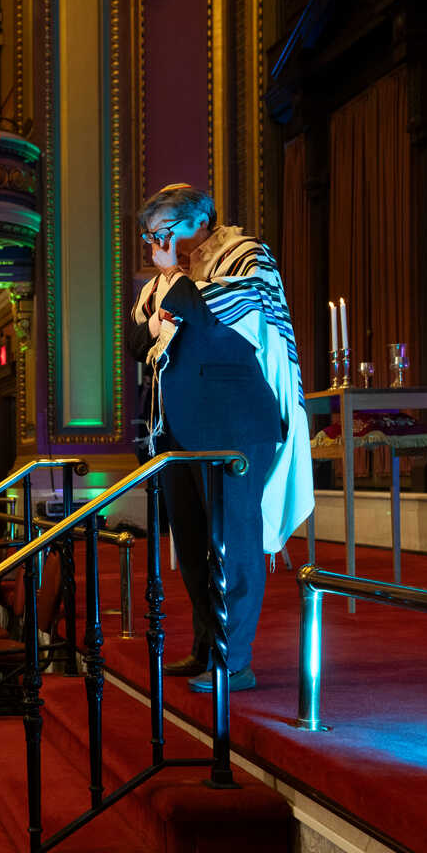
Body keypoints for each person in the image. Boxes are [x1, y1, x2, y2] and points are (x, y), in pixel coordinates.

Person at [126, 183, 313, 693]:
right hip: (176, 430)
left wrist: (172, 285)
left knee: (233, 543)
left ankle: (236, 661)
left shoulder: (244, 256)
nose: (155, 243)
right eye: (150, 234)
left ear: (199, 221)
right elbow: (136, 339)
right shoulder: (167, 280)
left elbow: (211, 319)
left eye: (164, 231)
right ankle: (208, 645)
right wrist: (170, 292)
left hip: (234, 425)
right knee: (190, 547)